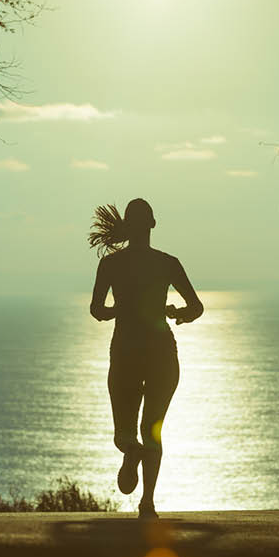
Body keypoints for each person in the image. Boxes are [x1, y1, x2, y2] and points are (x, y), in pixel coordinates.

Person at [88, 199, 203, 519]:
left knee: (124, 433)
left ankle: (131, 451)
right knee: (152, 428)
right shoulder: (168, 263)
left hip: (125, 350)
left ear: (127, 226)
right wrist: (178, 314)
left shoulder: (110, 264)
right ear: (153, 224)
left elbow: (97, 310)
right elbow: (197, 307)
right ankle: (147, 503)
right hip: (162, 352)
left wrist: (117, 311)